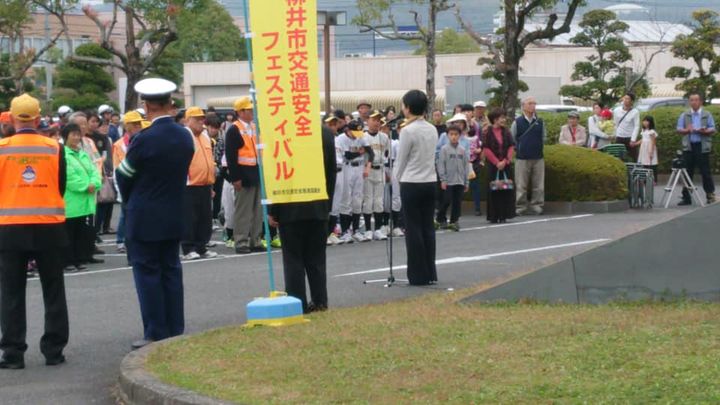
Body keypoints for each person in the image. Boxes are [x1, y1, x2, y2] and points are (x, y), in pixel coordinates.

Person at [116, 78, 194, 349]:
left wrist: (131, 199)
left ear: (147, 106)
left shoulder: (143, 139)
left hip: (145, 215)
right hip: (174, 212)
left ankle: (155, 331)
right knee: (171, 270)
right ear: (171, 103)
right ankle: (175, 328)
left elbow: (123, 175)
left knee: (148, 274)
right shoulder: (184, 136)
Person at [0, 94, 69, 369]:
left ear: (13, 118)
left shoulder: (2, 148)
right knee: (53, 289)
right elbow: (60, 185)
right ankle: (54, 350)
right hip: (49, 226)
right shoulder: (54, 147)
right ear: (39, 118)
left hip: (9, 228)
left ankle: (13, 353)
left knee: (11, 292)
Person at [269, 125, 336, 313]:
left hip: (290, 205)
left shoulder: (283, 130)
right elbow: (332, 172)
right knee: (316, 258)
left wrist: (273, 209)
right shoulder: (324, 133)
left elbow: (278, 172)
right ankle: (320, 301)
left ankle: (297, 303)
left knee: (293, 259)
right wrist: (327, 204)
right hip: (318, 204)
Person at [394, 90, 438, 286]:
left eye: (404, 105)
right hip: (430, 181)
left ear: (408, 108)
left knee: (413, 229)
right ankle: (430, 272)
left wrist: (395, 181)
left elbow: (401, 160)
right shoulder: (432, 129)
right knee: (428, 227)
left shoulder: (407, 131)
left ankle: (417, 274)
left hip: (411, 183)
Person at [62, 123, 102, 272]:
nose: (77, 137)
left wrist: (94, 183)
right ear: (66, 136)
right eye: (73, 134)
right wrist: (86, 186)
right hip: (72, 201)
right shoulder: (64, 154)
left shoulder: (83, 153)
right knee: (69, 232)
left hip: (86, 200)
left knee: (81, 232)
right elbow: (69, 177)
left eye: (78, 134)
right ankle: (68, 260)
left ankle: (79, 258)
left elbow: (94, 171)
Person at [225, 97, 263, 254]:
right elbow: (231, 156)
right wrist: (235, 178)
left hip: (256, 172)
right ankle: (241, 241)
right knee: (243, 211)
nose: (252, 111)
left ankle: (256, 240)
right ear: (240, 112)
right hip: (243, 175)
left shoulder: (255, 127)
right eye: (248, 109)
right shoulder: (234, 129)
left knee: (258, 210)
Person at [182, 107, 218, 260]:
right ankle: (188, 248)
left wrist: (211, 184)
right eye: (196, 119)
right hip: (189, 184)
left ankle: (201, 246)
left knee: (205, 217)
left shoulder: (205, 136)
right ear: (187, 120)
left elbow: (209, 160)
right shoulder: (184, 136)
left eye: (202, 118)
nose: (200, 122)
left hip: (205, 183)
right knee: (190, 218)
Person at [113, 111, 144, 253]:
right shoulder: (120, 144)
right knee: (125, 213)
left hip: (138, 182)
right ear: (127, 126)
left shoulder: (142, 140)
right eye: (135, 124)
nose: (139, 126)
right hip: (124, 179)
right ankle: (121, 240)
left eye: (139, 123)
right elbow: (119, 168)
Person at [676, 92, 716, 205]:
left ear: (700, 101)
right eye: (692, 100)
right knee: (687, 172)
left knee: (705, 171)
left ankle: (710, 195)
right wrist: (687, 130)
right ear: (689, 102)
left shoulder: (707, 114)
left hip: (702, 146)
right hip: (689, 146)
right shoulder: (685, 115)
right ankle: (686, 197)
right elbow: (679, 129)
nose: (694, 102)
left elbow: (712, 128)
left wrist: (704, 131)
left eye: (696, 100)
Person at [337, 120, 374, 243]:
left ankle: (356, 230)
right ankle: (345, 231)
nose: (357, 135)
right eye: (354, 132)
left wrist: (368, 166)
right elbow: (347, 155)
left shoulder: (361, 136)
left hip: (359, 167)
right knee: (346, 199)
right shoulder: (341, 138)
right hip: (347, 168)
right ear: (348, 130)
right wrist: (360, 152)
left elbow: (371, 152)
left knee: (358, 199)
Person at [512, 96, 546, 216]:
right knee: (521, 184)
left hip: (538, 157)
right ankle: (520, 206)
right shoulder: (517, 122)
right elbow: (513, 138)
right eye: (530, 103)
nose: (533, 106)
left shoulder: (540, 122)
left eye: (534, 103)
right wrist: (519, 149)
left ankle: (537, 205)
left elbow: (543, 138)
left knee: (538, 185)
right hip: (522, 157)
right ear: (524, 106)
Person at [361, 110, 390, 241]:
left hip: (380, 169)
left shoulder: (384, 137)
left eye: (379, 120)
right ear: (367, 121)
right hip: (367, 170)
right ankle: (367, 230)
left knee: (379, 201)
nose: (377, 122)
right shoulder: (363, 136)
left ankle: (377, 229)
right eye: (374, 119)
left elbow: (386, 154)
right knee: (368, 200)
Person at [483, 108, 516, 223]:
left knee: (505, 190)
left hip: (505, 166)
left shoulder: (506, 131)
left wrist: (506, 160)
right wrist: (497, 162)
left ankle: (504, 215)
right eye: (501, 117)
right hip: (493, 166)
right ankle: (494, 215)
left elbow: (511, 146)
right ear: (495, 119)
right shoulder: (487, 132)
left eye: (504, 117)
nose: (504, 119)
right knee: (494, 191)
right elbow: (486, 149)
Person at [436, 125, 469, 231]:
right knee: (446, 200)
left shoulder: (462, 150)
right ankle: (440, 218)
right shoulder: (444, 149)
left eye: (456, 134)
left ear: (459, 136)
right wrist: (443, 179)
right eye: (451, 134)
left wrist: (466, 182)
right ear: (447, 135)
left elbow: (466, 166)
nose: (454, 137)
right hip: (448, 181)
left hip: (459, 181)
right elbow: (441, 165)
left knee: (457, 202)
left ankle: (454, 221)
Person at [89, 113, 115, 237]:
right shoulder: (83, 138)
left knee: (104, 202)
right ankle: (95, 231)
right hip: (88, 175)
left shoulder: (103, 138)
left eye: (96, 122)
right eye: (92, 121)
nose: (94, 124)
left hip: (101, 172)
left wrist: (106, 170)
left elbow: (106, 156)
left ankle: (99, 229)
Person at [324, 114, 346, 245]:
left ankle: (331, 232)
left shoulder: (339, 139)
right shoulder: (322, 138)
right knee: (328, 203)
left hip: (340, 170)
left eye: (334, 124)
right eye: (330, 124)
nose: (333, 127)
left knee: (336, 204)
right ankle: (324, 234)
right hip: (329, 172)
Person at [613, 93, 640, 161]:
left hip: (629, 137)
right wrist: (615, 135)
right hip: (619, 137)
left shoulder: (635, 112)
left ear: (631, 101)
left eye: (627, 99)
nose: (625, 100)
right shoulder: (616, 110)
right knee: (618, 157)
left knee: (633, 157)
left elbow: (636, 126)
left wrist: (633, 139)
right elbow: (615, 124)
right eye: (624, 98)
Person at [636, 116, 658, 181]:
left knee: (651, 164)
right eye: (644, 121)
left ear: (650, 122)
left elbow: (653, 141)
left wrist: (651, 151)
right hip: (644, 148)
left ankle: (654, 180)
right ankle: (645, 179)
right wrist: (636, 143)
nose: (645, 122)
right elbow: (642, 139)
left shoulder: (652, 131)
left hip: (649, 148)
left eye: (647, 121)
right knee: (644, 163)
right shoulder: (643, 130)